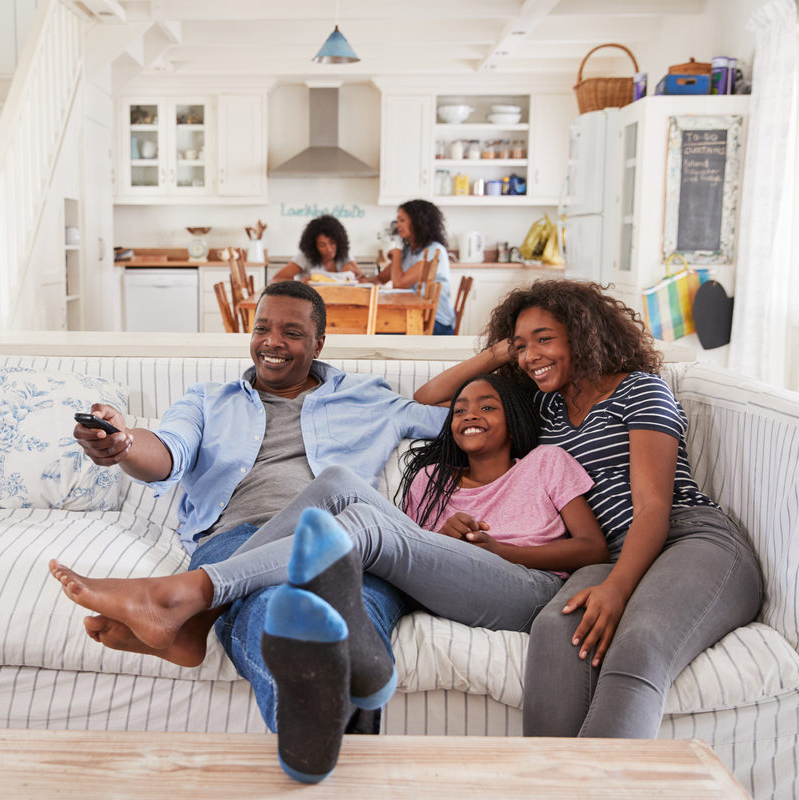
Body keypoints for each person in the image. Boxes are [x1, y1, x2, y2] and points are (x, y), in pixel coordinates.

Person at [52, 371, 607, 782]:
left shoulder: (545, 464)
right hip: (457, 586)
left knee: (358, 520)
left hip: (528, 588)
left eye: (487, 405)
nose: (467, 413)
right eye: (460, 408)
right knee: (338, 483)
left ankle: (193, 597)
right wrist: (449, 540)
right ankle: (198, 611)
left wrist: (497, 546)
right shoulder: (432, 480)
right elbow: (415, 559)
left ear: (514, 415)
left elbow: (591, 546)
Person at [51, 279, 448, 736]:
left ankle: (193, 629)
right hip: (239, 539)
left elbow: (465, 420)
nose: (272, 342)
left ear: (320, 343)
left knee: (355, 617)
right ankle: (317, 738)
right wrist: (122, 444)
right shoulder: (207, 399)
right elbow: (167, 451)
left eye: (292, 333)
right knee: (273, 607)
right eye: (262, 328)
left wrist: (501, 355)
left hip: (349, 545)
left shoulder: (370, 398)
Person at [414, 279, 763, 739]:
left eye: (545, 339)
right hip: (607, 553)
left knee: (638, 645)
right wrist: (505, 351)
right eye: (522, 345)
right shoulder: (547, 406)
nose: (531, 355)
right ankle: (550, 781)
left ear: (582, 334)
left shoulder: (641, 391)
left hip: (688, 538)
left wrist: (617, 589)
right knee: (556, 634)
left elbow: (654, 507)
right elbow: (431, 397)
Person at [375, 199, 456, 335]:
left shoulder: (433, 252)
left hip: (437, 322)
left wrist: (396, 253)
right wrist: (357, 278)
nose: (398, 225)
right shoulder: (409, 251)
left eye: (402, 220)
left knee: (377, 330)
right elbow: (380, 279)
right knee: (376, 326)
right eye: (397, 220)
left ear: (418, 221)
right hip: (416, 317)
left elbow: (399, 283)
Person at [270, 214, 369, 284]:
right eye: (322, 245)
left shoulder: (344, 255)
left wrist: (354, 273)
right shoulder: (305, 257)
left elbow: (364, 279)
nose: (329, 249)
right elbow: (275, 280)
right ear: (314, 246)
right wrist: (300, 284)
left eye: (332, 243)